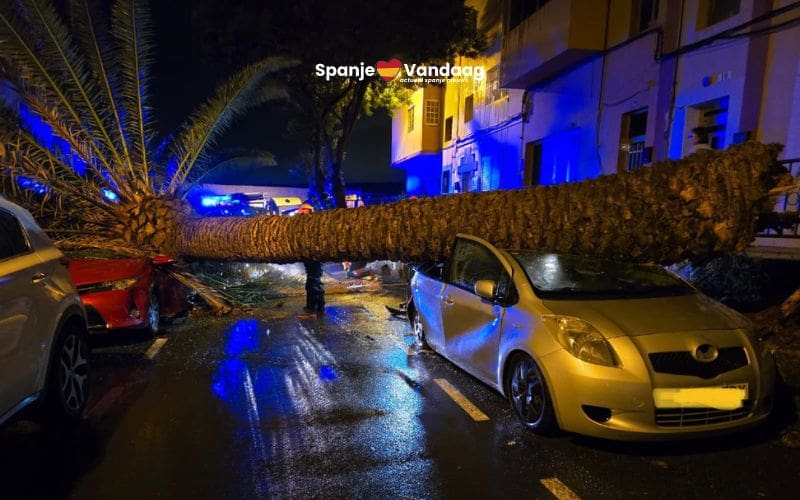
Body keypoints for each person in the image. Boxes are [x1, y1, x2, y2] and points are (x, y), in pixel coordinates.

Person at [297, 201, 325, 314]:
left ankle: (317, 308)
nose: (301, 211)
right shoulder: (303, 224)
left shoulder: (314, 224)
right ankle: (312, 307)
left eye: (304, 210)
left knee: (314, 282)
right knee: (311, 282)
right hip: (308, 256)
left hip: (314, 256)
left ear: (310, 211)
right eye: (301, 209)